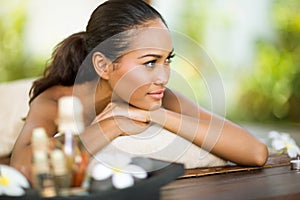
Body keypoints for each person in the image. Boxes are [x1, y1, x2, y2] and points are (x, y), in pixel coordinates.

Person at [10, 0, 268, 182]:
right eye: (149, 62)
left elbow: (256, 152)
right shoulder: (56, 102)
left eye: (167, 60)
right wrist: (111, 125)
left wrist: (159, 117)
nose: (164, 76)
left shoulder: (157, 97)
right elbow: (24, 169)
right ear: (104, 65)